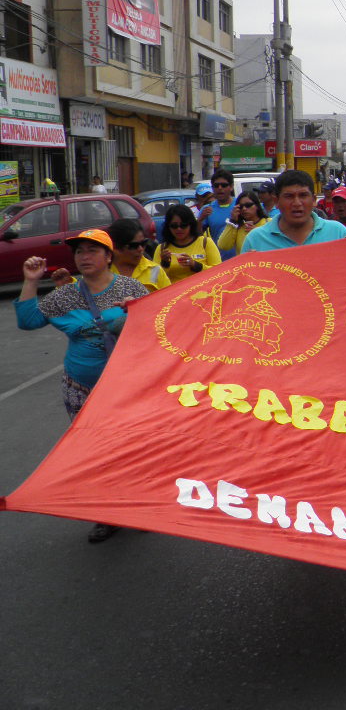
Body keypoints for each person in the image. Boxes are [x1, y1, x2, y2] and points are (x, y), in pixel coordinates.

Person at [16, 230, 149, 542]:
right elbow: (28, 321)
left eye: (93, 250)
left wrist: (137, 310)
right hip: (81, 387)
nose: (84, 257)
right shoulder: (66, 296)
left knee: (132, 450)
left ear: (109, 257)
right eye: (79, 252)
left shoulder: (132, 288)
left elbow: (160, 327)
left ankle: (140, 507)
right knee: (94, 453)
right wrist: (31, 281)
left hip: (128, 387)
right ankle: (106, 514)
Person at [242, 170, 346, 251]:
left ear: (314, 200)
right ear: (276, 201)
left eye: (303, 195)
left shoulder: (338, 233)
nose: (297, 203)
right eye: (289, 196)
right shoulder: (255, 240)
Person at [158, 204, 222, 283]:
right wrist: (165, 264)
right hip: (175, 294)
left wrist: (195, 265)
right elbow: (155, 281)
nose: (179, 229)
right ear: (168, 227)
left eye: (183, 225)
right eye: (174, 226)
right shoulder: (162, 248)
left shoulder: (205, 243)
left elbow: (219, 272)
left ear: (191, 225)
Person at [107, 218, 170, 292]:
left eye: (143, 243)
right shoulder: (102, 272)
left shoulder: (155, 270)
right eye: (134, 245)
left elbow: (171, 298)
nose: (140, 249)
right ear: (116, 248)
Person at [200, 169, 238, 258]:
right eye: (216, 185)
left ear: (231, 187)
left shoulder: (240, 205)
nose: (220, 188)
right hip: (219, 261)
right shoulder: (207, 209)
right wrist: (200, 219)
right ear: (212, 188)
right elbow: (197, 236)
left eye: (224, 185)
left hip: (240, 261)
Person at [216, 191, 268, 255]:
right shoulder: (238, 227)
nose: (244, 209)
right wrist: (233, 221)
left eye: (248, 205)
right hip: (244, 264)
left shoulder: (269, 222)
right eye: (241, 206)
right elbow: (223, 246)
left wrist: (258, 232)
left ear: (257, 205)